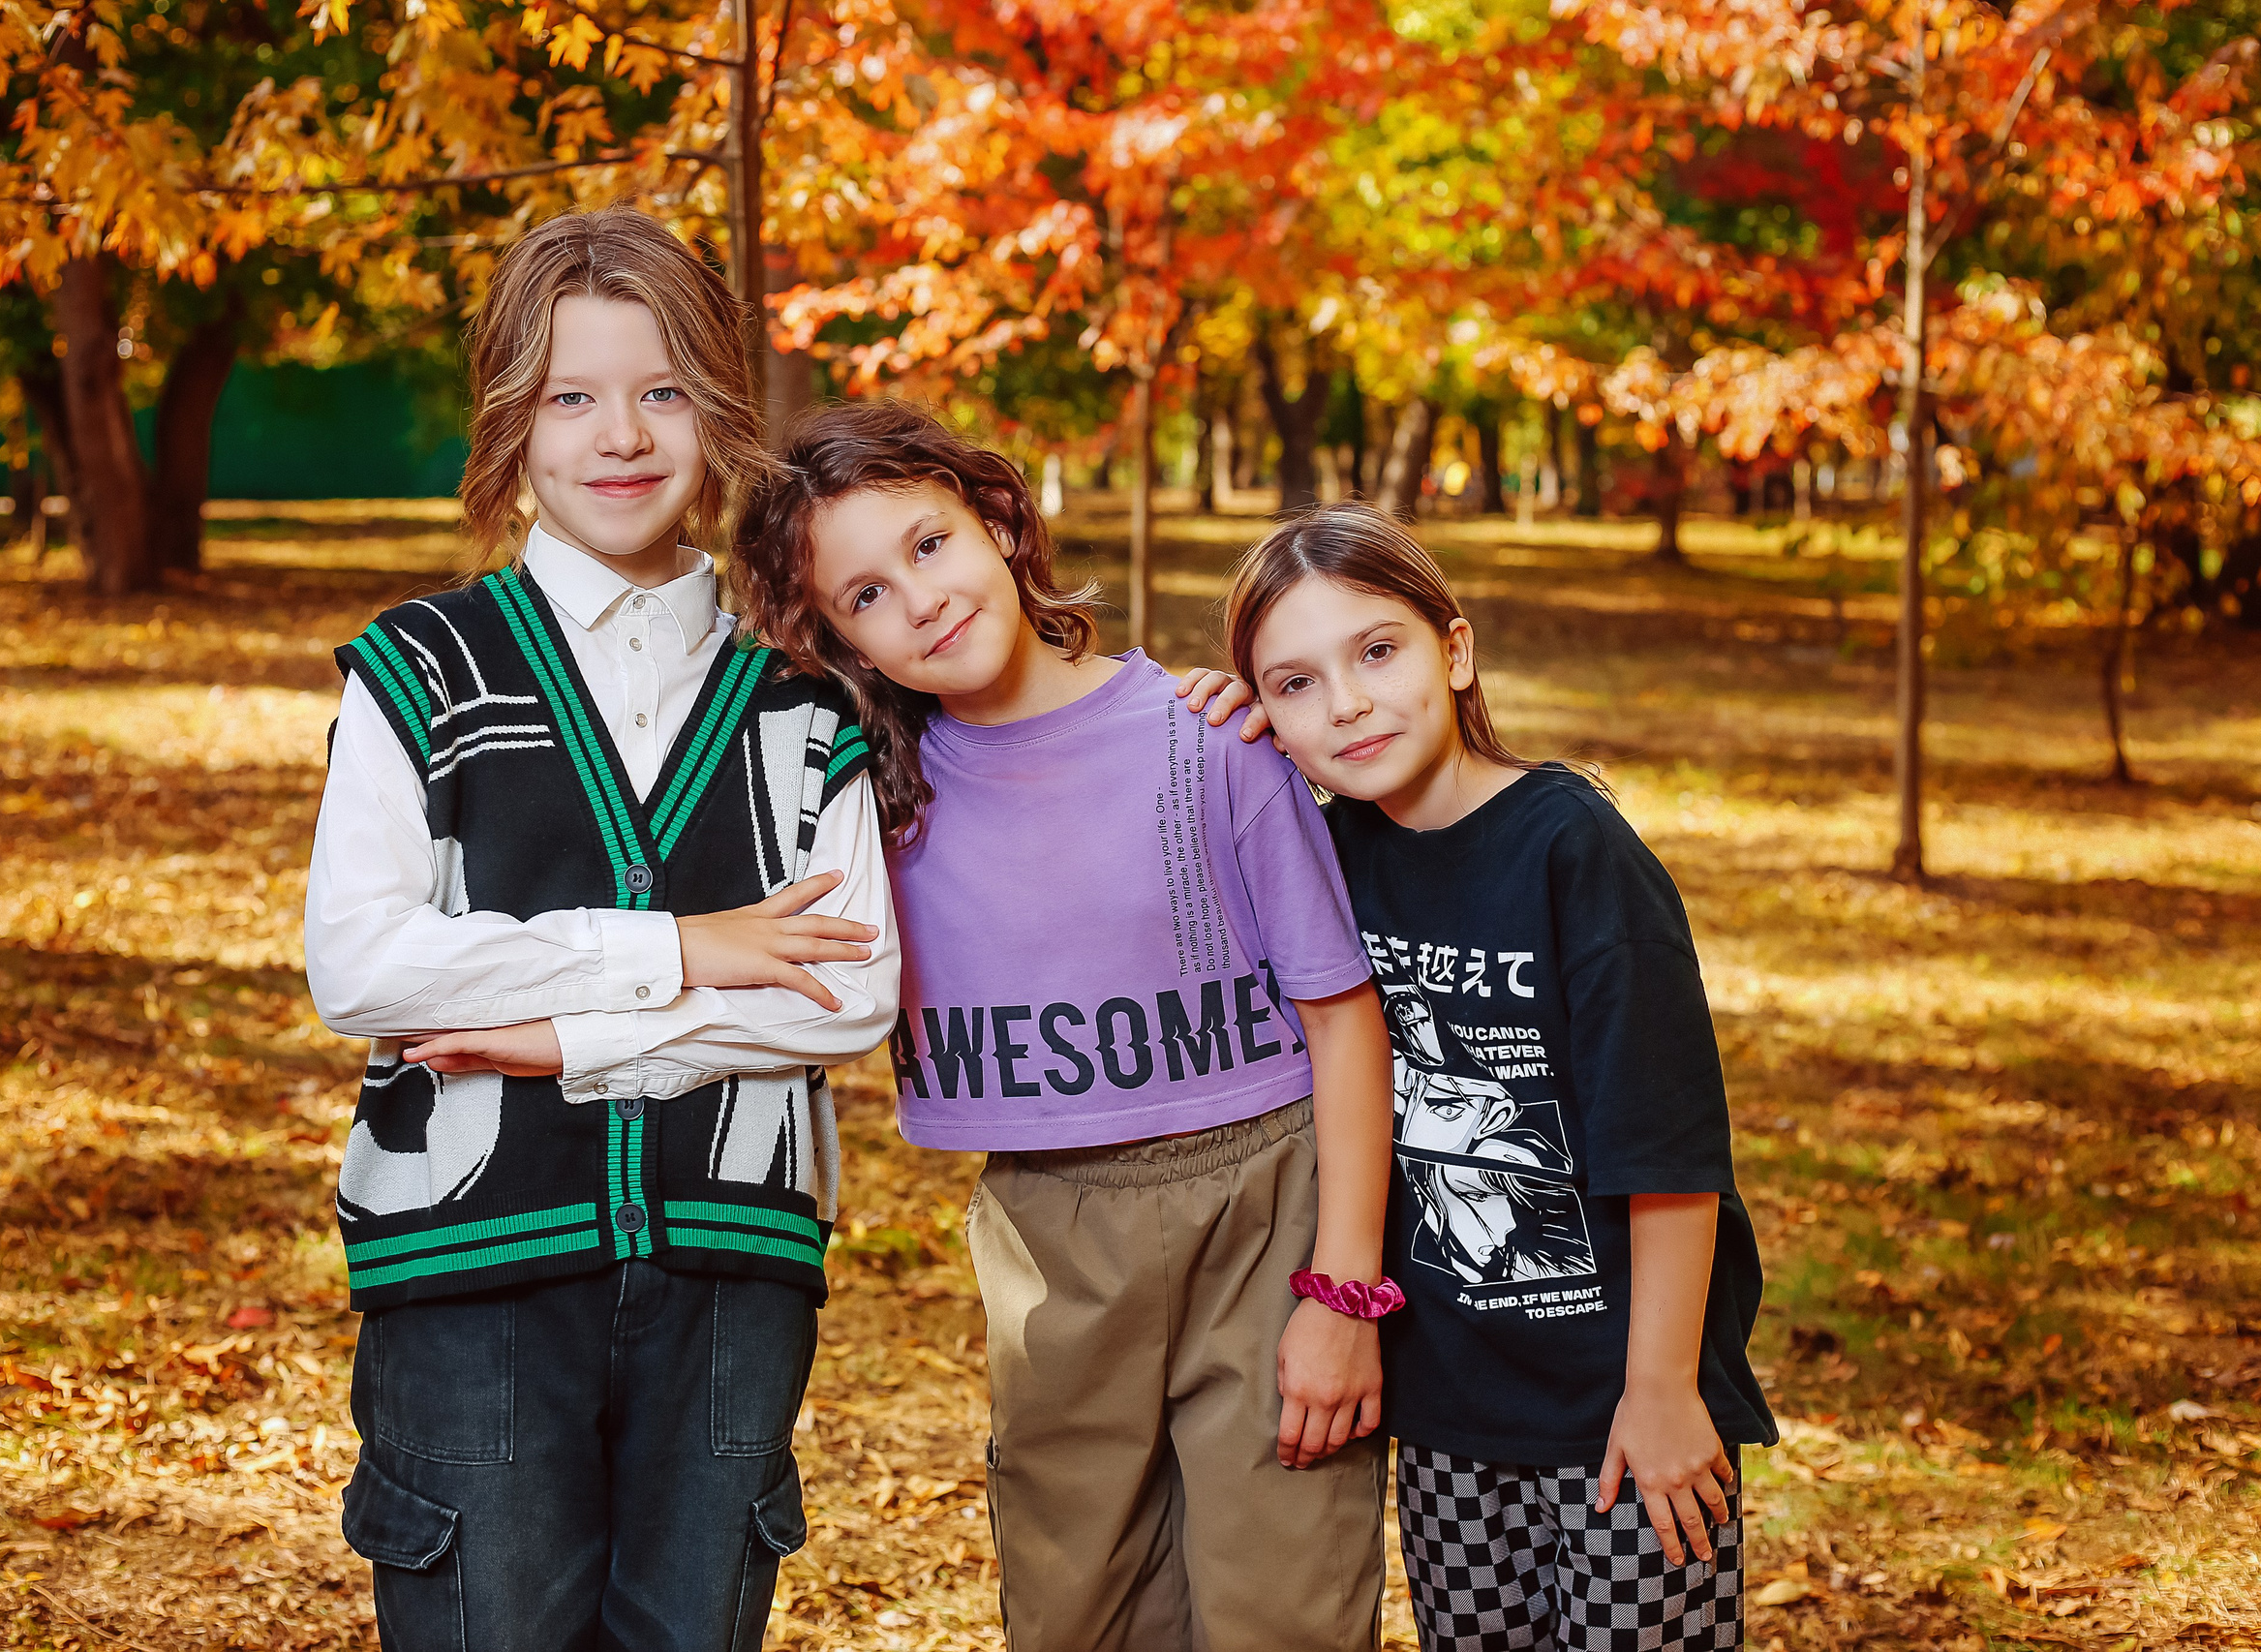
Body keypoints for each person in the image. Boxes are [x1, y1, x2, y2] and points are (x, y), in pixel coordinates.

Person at [302, 206, 900, 1652]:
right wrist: (685, 948)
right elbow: (365, 962)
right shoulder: (421, 668)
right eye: (572, 395)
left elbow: (848, 996)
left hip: (732, 1268)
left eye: (662, 389)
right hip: (471, 1263)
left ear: (719, 409)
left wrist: (558, 1030)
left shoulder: (805, 705)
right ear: (514, 422)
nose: (620, 434)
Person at [727, 401, 1398, 1652]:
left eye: (929, 545)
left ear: (997, 519)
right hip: (1048, 1230)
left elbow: (1345, 1018)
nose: (918, 600)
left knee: (1283, 1602)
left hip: (1268, 1209)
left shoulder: (1211, 740)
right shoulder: (867, 806)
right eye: (865, 594)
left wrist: (1345, 1291)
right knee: (1074, 1605)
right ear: (833, 639)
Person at [1218, 502, 1778, 1652]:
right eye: (1293, 683)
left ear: (1455, 648)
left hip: (1622, 1398)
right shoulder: (1326, 858)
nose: (1348, 702)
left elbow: (1669, 1151)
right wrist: (1199, 735)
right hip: (1448, 1409)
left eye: (1377, 650)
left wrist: (1666, 1385)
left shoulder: (1574, 850)